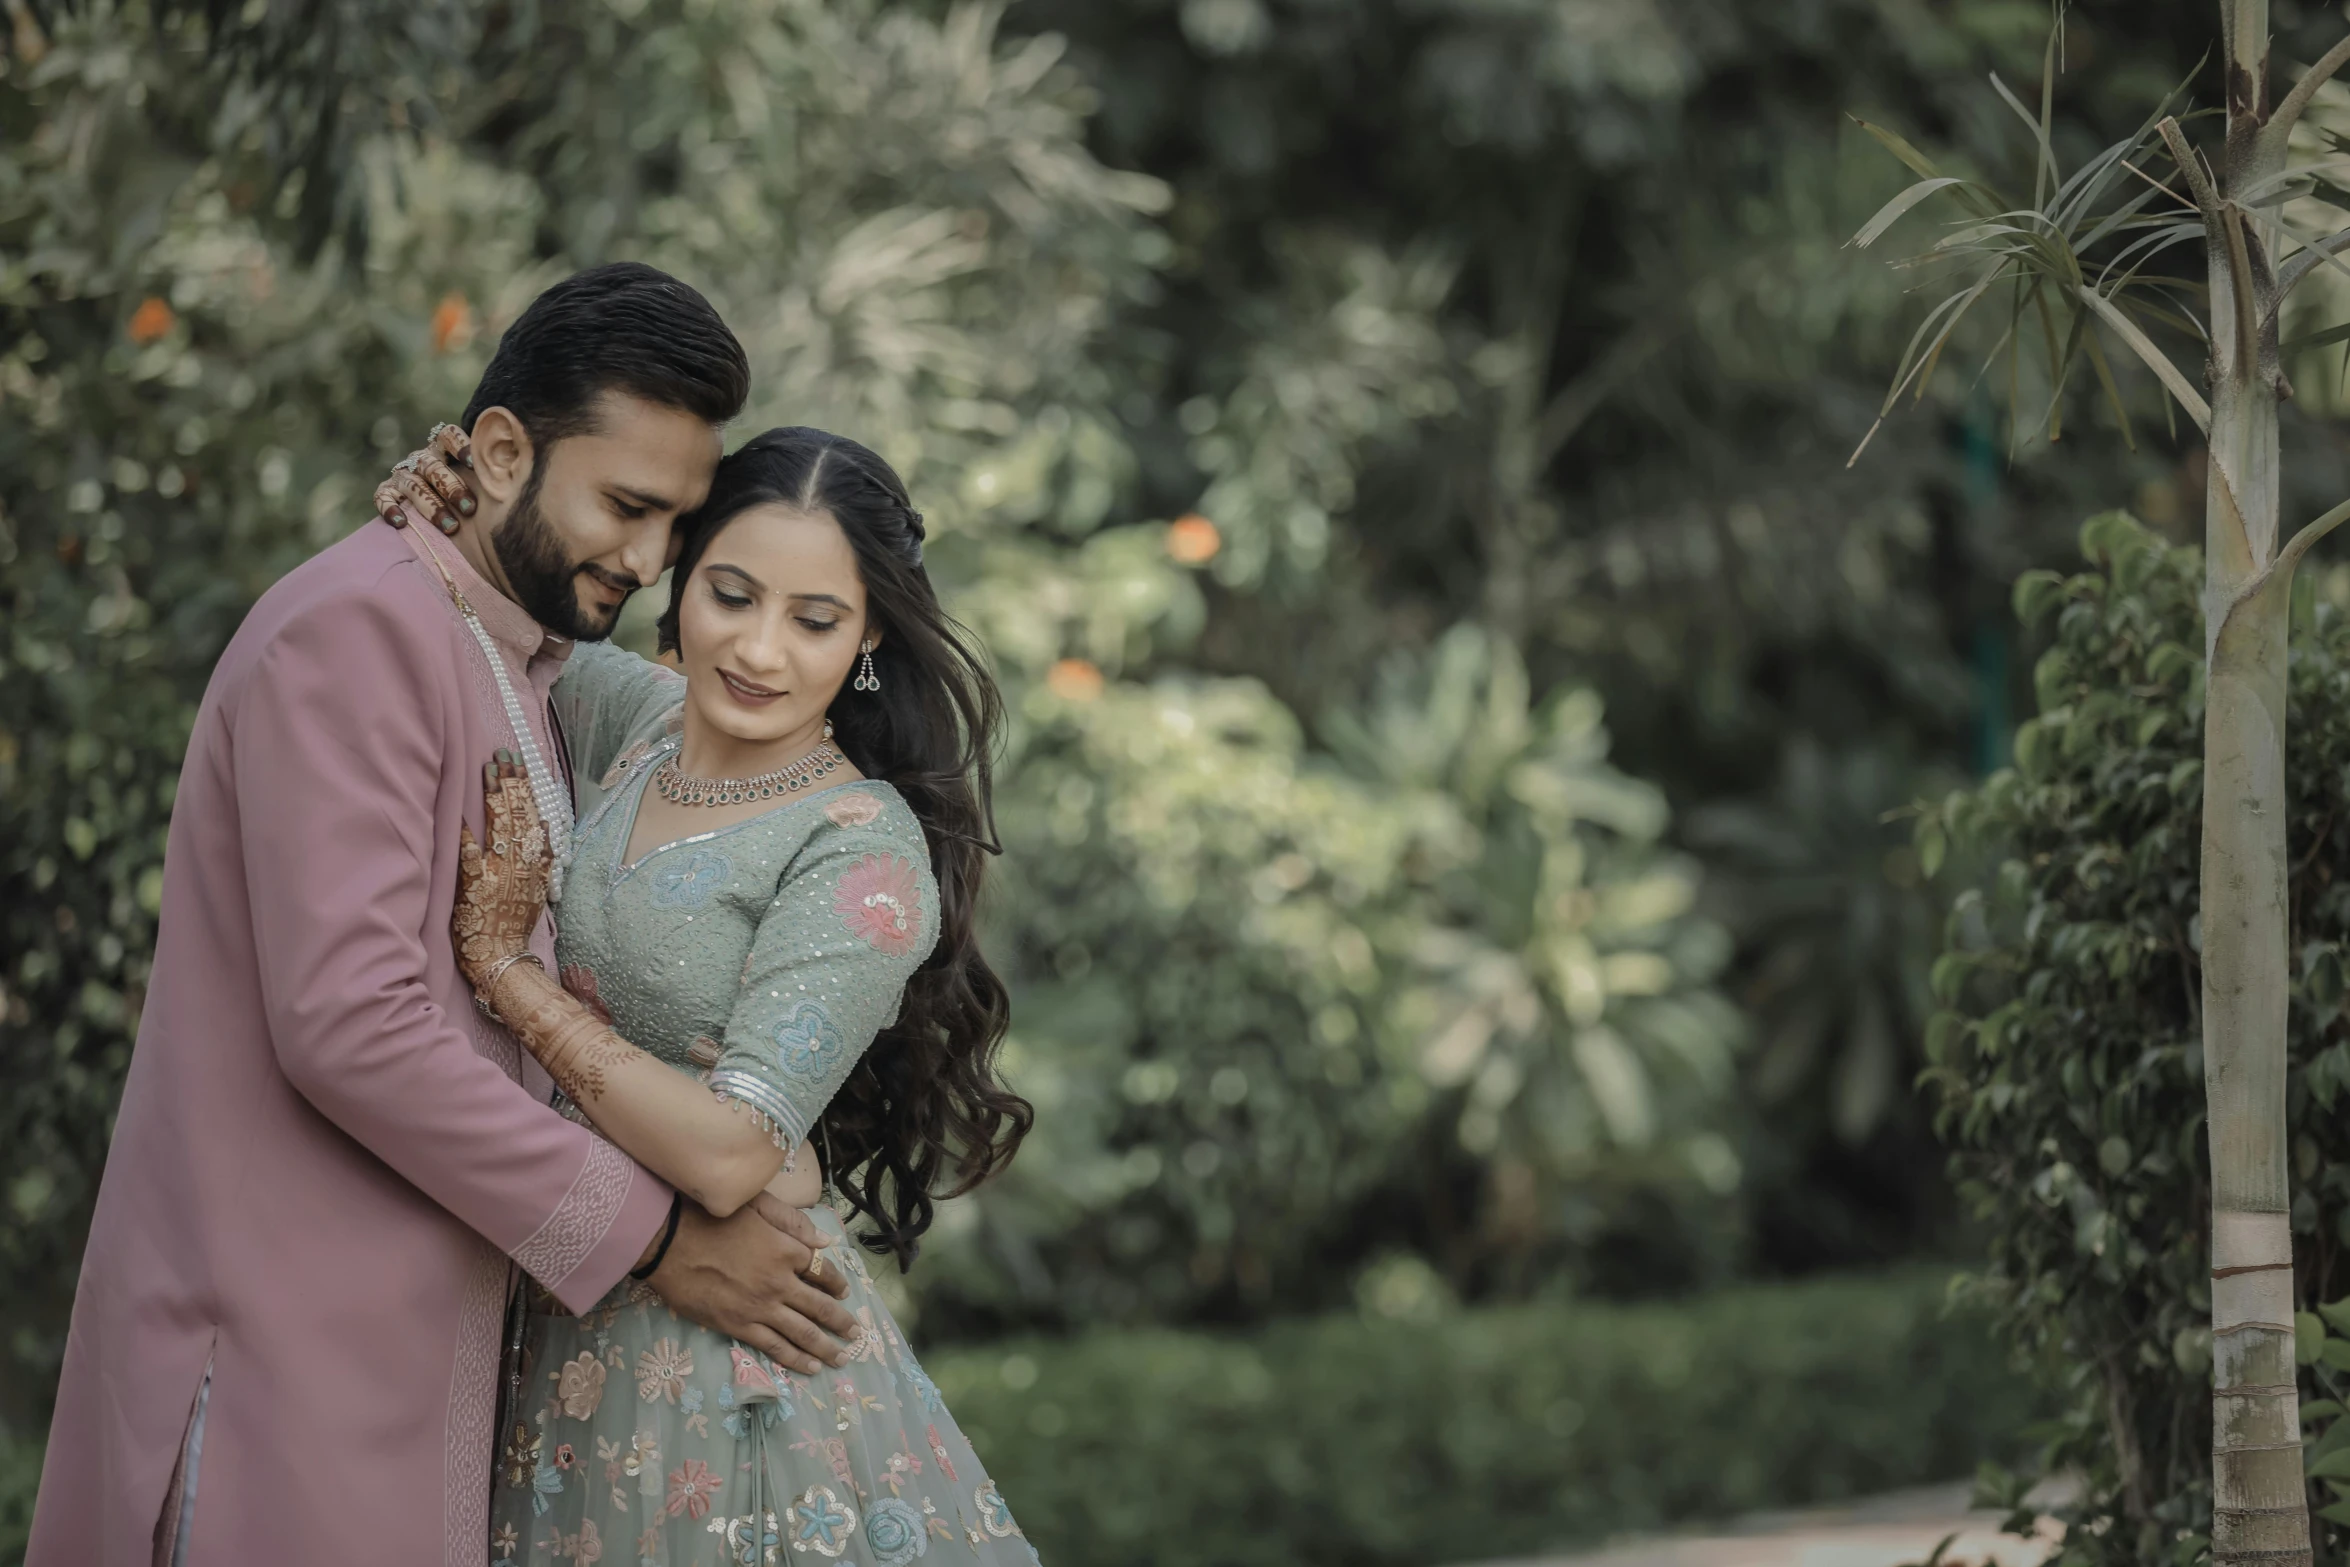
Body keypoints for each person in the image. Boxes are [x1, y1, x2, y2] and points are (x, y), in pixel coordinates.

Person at [27, 264, 862, 1567]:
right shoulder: (355, 630)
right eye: (624, 507)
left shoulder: (522, 657)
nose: (645, 561)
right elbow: (351, 1023)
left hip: (411, 1374)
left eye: (674, 525)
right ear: (501, 449)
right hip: (277, 1370)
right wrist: (652, 1238)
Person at [425, 425, 1040, 1563]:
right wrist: (436, 506)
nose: (759, 650)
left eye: (814, 621)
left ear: (865, 640)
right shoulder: (633, 721)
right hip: (559, 1320)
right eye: (732, 593)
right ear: (680, 577)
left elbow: (730, 1153)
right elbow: (472, 617)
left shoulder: (860, 852)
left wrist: (508, 973)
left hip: (734, 1376)